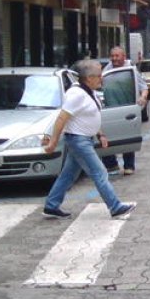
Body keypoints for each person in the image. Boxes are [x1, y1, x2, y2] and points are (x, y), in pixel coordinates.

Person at [41, 59, 135, 219]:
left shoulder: (88, 91)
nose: (102, 78)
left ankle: (51, 205)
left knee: (68, 175)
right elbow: (61, 119)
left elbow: (88, 116)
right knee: (100, 172)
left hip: (84, 139)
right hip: (79, 140)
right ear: (89, 78)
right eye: (99, 75)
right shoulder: (76, 94)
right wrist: (53, 142)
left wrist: (100, 134)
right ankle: (115, 206)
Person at [101, 46, 149, 175]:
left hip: (126, 109)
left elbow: (144, 87)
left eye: (117, 56)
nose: (114, 59)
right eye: (112, 56)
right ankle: (111, 165)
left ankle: (129, 166)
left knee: (126, 136)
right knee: (107, 138)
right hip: (110, 109)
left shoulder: (131, 70)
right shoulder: (107, 69)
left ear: (124, 56)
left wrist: (143, 97)